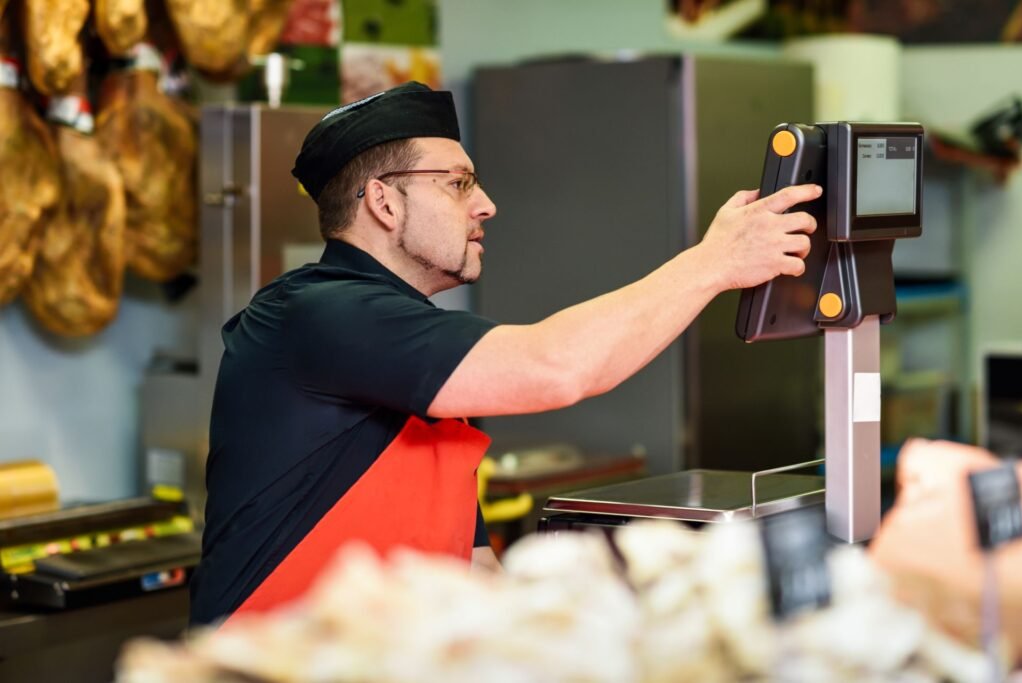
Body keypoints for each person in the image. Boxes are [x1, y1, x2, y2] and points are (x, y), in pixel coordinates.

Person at [188, 82, 820, 626]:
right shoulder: (318, 313)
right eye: (459, 184)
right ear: (383, 202)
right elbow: (556, 367)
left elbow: (470, 564)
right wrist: (711, 264)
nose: (485, 204)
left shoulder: (411, 352)